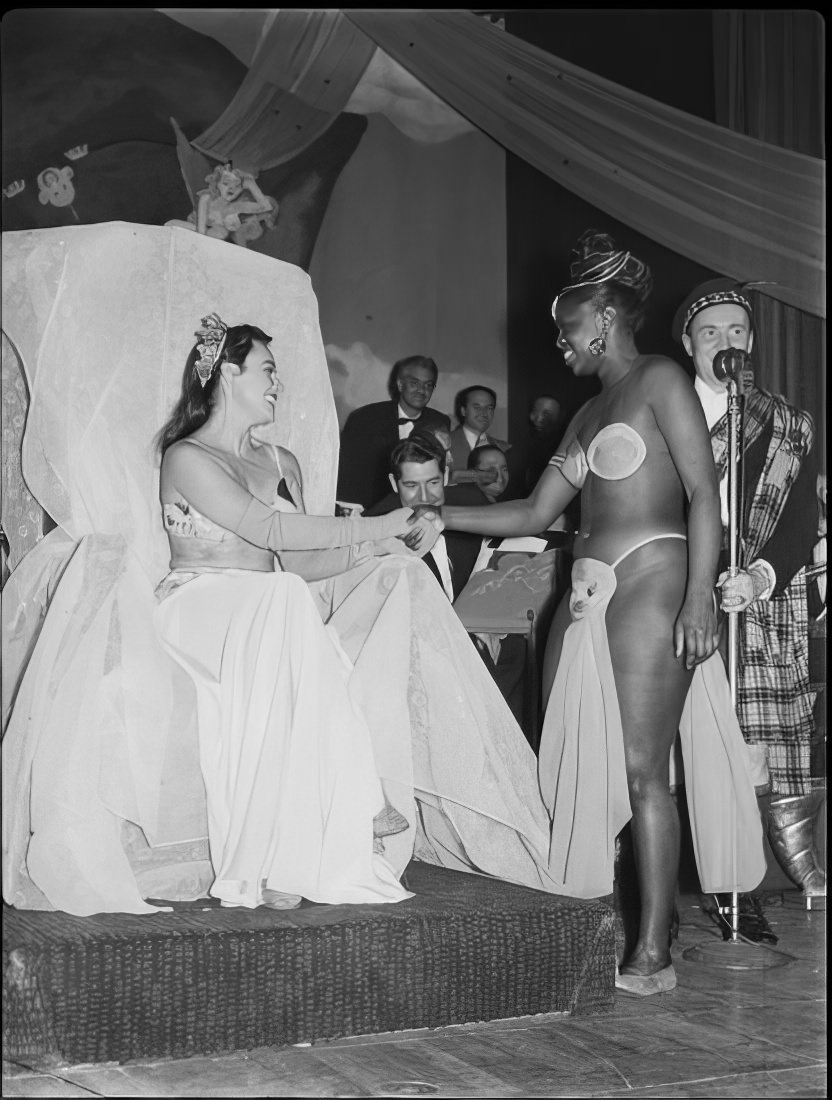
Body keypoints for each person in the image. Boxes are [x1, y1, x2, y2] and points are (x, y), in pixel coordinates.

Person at [442, 231, 765, 994]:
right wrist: (438, 514)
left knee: (641, 769)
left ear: (604, 320)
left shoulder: (658, 379)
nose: (558, 344)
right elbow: (532, 507)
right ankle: (609, 921)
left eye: (566, 329)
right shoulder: (586, 414)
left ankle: (653, 951)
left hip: (655, 576)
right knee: (584, 765)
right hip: (588, 592)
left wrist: (698, 600)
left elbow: (701, 495)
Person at [154, 315, 441, 909]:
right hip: (200, 605)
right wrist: (380, 520)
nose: (277, 383)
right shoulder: (186, 456)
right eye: (267, 369)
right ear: (227, 374)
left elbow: (294, 563)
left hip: (269, 607)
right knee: (290, 610)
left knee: (286, 599)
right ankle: (362, 799)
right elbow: (266, 526)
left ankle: (286, 862)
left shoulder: (282, 461)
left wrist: (376, 547)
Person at [673, 278, 825, 934]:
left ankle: (735, 885)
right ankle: (661, 883)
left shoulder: (787, 422)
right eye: (711, 334)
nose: (726, 344)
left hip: (752, 599)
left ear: (753, 342)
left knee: (747, 749)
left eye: (737, 332)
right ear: (688, 346)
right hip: (677, 590)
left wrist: (760, 576)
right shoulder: (662, 409)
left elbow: (796, 519)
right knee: (673, 743)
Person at [367, 433, 526, 721]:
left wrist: (489, 622)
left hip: (472, 635)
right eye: (411, 486)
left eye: (433, 483)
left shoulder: (470, 507)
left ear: (447, 476)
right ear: (394, 484)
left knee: (515, 646)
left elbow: (486, 567)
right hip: (415, 652)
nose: (425, 498)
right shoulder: (376, 529)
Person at [336, 356, 451, 512]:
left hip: (420, 508)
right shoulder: (364, 417)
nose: (421, 390)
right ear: (400, 384)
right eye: (414, 383)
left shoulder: (439, 421)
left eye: (428, 385)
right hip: (371, 512)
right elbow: (348, 471)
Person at [166, 163, 277, 247]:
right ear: (217, 184)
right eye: (225, 183)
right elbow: (200, 232)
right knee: (170, 224)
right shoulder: (206, 199)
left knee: (220, 234)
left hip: (210, 241)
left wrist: (252, 185)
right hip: (196, 234)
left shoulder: (237, 206)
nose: (231, 189)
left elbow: (267, 207)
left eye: (237, 185)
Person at [449, 386, 510, 476]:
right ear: (463, 411)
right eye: (477, 407)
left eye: (489, 408)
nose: (484, 413)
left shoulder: (504, 448)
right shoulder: (442, 445)